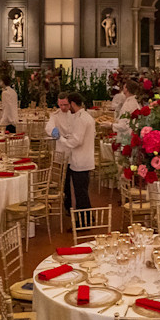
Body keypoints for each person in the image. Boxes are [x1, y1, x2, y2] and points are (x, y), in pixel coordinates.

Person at [57, 93, 95, 225]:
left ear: (73, 103)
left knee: (80, 193)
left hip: (81, 160)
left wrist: (61, 139)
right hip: (84, 158)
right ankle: (88, 218)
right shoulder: (85, 116)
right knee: (81, 191)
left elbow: (76, 141)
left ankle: (85, 222)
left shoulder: (81, 119)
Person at [45, 92, 73, 214]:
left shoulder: (75, 114)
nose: (63, 107)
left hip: (74, 148)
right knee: (65, 179)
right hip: (62, 148)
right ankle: (68, 205)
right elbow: (48, 127)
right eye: (60, 105)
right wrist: (53, 132)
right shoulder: (55, 115)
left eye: (65, 105)